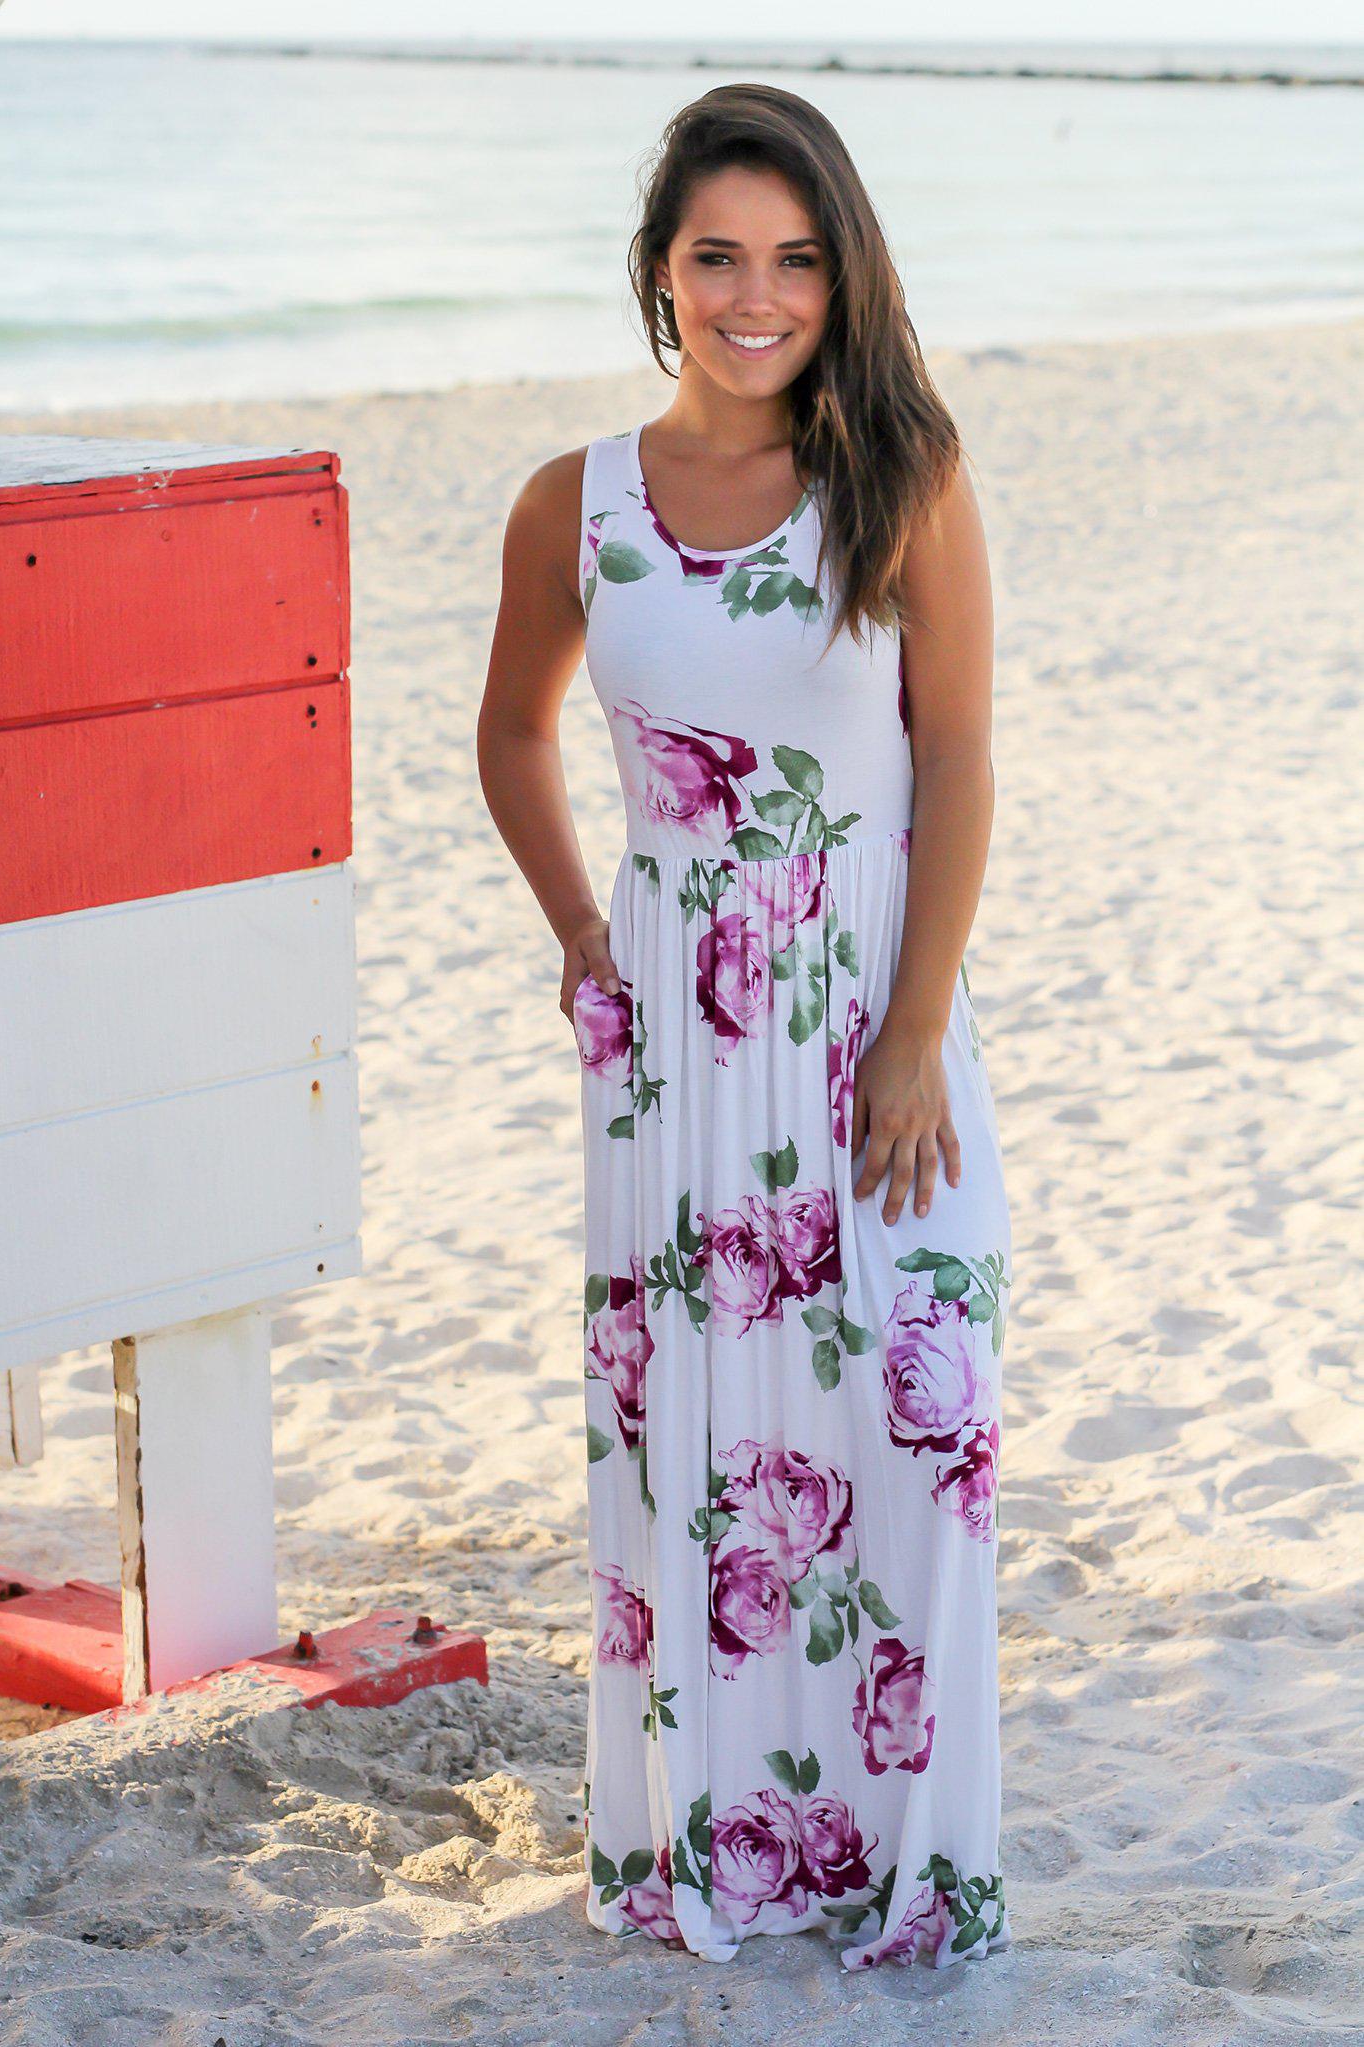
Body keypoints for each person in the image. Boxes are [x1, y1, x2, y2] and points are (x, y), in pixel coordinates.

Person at [477, 80, 1012, 1973]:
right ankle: (711, 1838)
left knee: (910, 1431)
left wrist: (914, 1029)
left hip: (868, 1006)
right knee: (694, 1453)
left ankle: (899, 1857)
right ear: (660, 274)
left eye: (793, 258)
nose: (754, 294)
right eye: (717, 256)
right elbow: (512, 734)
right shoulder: (577, 503)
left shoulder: (903, 476)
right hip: (671, 1049)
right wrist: (576, 933)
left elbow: (952, 753)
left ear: (840, 274)